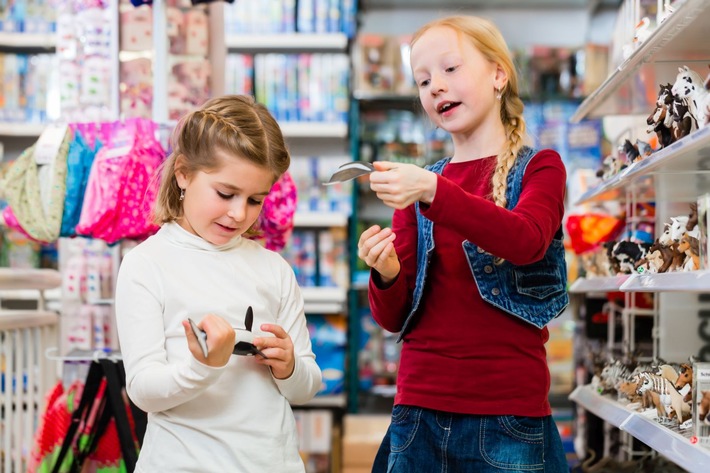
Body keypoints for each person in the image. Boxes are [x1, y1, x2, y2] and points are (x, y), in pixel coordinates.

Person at [357, 16, 569, 473]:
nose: (436, 87)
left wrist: (434, 193)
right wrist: (385, 270)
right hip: (418, 413)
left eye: (450, 69)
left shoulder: (540, 169)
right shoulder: (420, 186)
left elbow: (527, 239)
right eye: (423, 79)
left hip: (508, 414)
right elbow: (393, 317)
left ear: (498, 74)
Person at [115, 95, 321, 472]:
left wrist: (288, 365)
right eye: (225, 194)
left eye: (255, 200)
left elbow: (306, 387)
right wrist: (203, 366)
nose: (238, 213)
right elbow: (144, 391)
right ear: (183, 173)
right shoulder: (146, 265)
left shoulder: (273, 269)